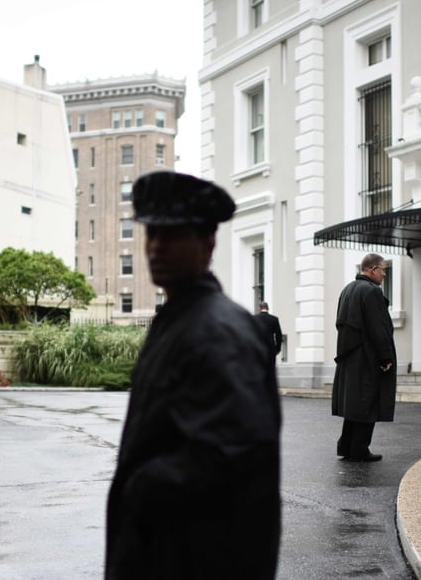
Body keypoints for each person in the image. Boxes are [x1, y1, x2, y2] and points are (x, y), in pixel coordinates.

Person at [105, 171, 281, 579]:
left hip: (193, 559)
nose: (156, 247)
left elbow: (232, 457)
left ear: (207, 242)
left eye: (173, 234)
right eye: (151, 234)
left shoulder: (219, 332)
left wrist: (140, 487)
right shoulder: (182, 318)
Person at [332, 253, 397, 463]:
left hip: (350, 357)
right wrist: (385, 356)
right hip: (367, 357)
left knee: (355, 404)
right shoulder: (371, 292)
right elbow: (378, 328)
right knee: (368, 403)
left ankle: (346, 447)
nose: (385, 274)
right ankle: (359, 449)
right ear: (372, 270)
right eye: (383, 269)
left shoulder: (348, 290)